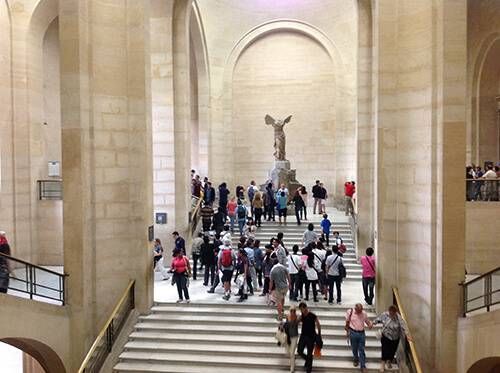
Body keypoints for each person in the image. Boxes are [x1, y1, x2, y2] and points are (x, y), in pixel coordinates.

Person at [373, 305, 411, 372]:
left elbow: (404, 325)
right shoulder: (385, 314)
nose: (391, 314)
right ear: (389, 311)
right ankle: (382, 364)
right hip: (385, 336)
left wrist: (407, 334)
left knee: (392, 350)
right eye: (390, 312)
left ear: (395, 312)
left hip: (395, 337)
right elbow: (378, 319)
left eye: (393, 313)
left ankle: (389, 361)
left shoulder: (398, 317)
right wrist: (373, 323)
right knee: (384, 349)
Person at [345, 303, 373, 372]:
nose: (360, 312)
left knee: (361, 349)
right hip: (353, 333)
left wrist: (370, 325)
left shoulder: (364, 313)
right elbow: (347, 322)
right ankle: (355, 359)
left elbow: (367, 322)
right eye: (359, 311)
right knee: (354, 348)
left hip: (361, 333)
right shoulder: (350, 312)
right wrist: (347, 331)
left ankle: (363, 366)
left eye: (361, 310)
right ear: (355, 309)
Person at [298, 302, 321, 373]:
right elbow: (297, 322)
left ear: (306, 308)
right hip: (303, 336)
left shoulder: (312, 315)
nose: (302, 311)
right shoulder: (302, 316)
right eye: (300, 310)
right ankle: (307, 360)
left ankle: (309, 369)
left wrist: (319, 334)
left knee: (309, 353)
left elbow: (318, 324)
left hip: (311, 337)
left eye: (302, 309)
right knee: (299, 351)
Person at [283, 306, 300, 373]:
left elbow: (295, 324)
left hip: (295, 336)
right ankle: (293, 359)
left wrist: (293, 319)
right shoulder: (287, 316)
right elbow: (286, 325)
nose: (292, 312)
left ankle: (292, 368)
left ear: (295, 311)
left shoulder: (297, 317)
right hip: (288, 336)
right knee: (288, 352)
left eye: (294, 311)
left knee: (292, 352)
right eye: (291, 311)